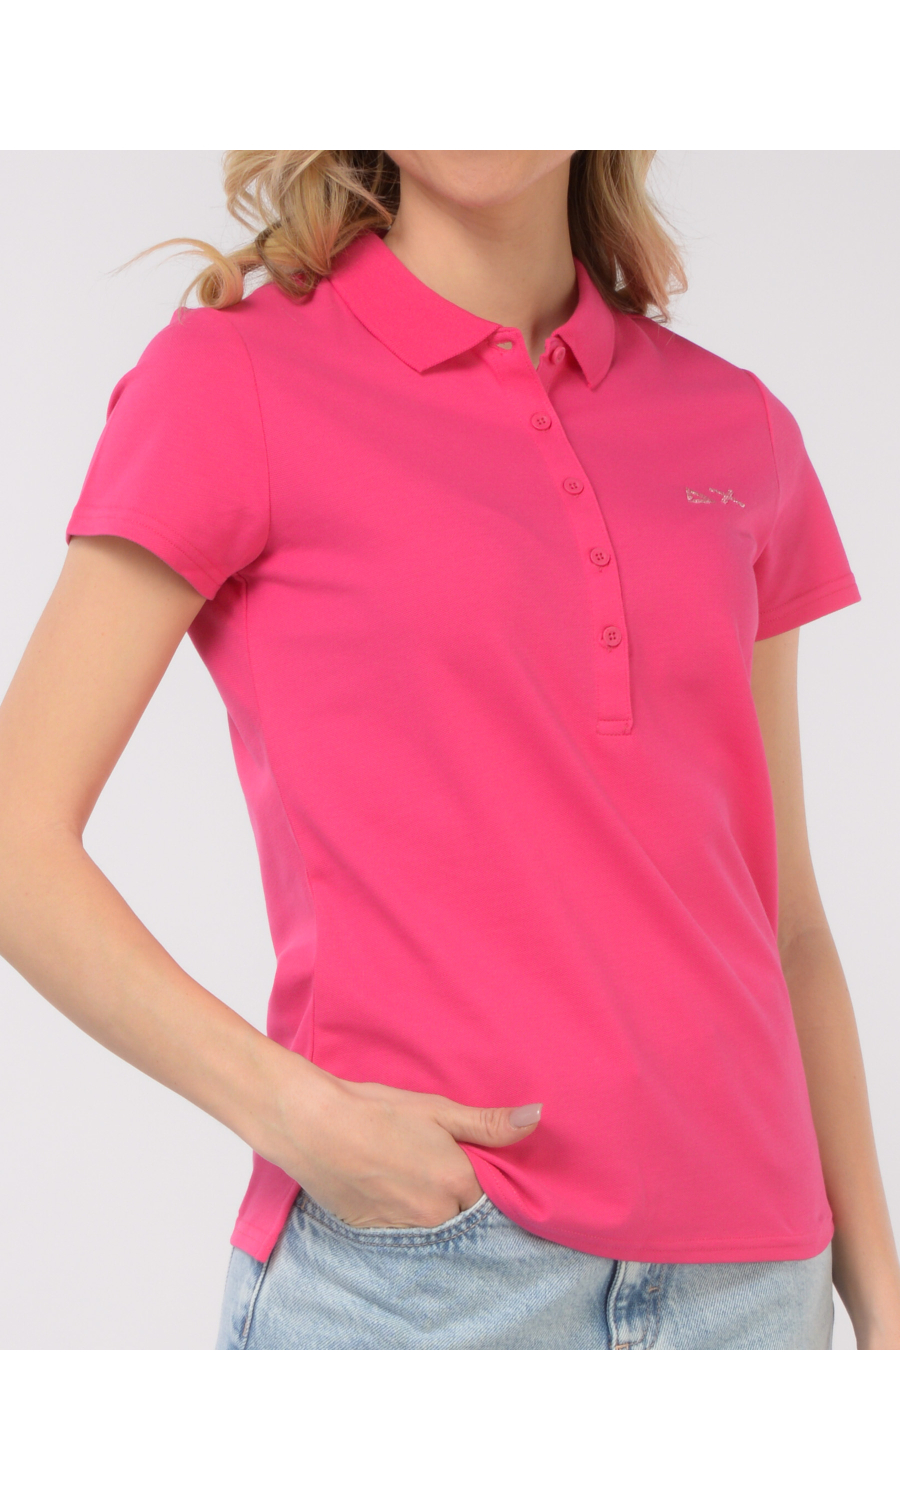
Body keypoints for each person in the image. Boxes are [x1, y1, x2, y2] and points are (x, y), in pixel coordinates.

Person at [0, 150, 897, 1351]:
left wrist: (881, 1298)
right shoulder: (234, 379)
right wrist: (294, 1116)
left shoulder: (738, 426)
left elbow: (785, 921)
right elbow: (17, 838)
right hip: (421, 1279)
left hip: (755, 1288)